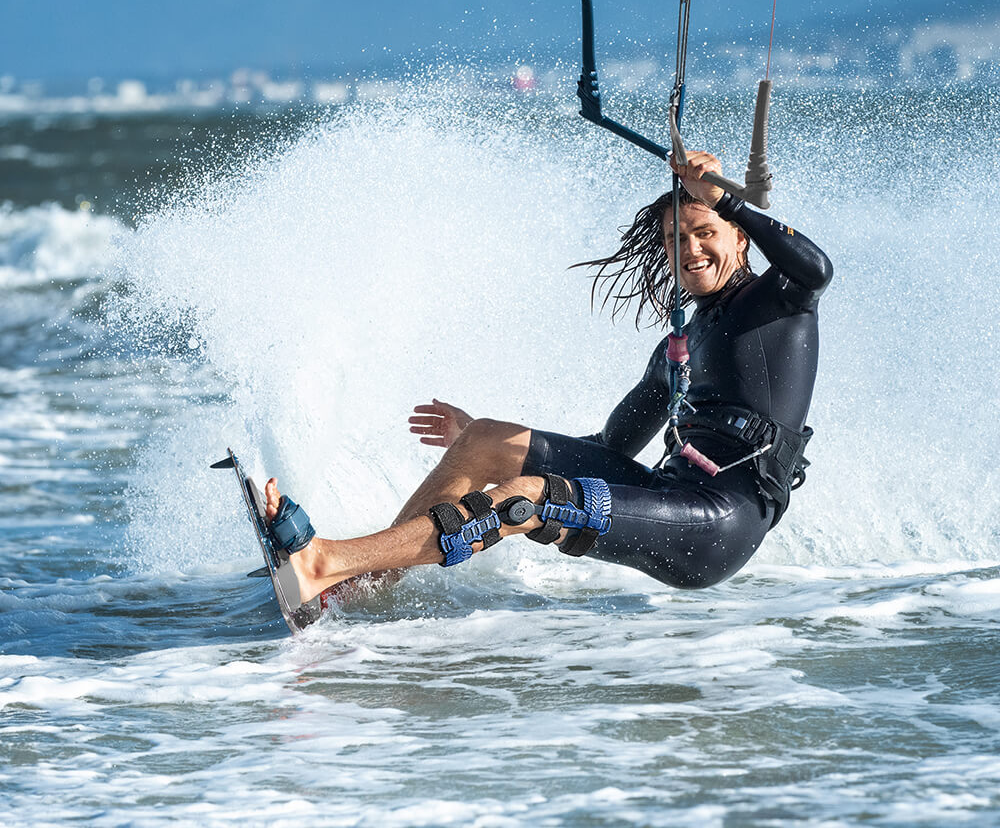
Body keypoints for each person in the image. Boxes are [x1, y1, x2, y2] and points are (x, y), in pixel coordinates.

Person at [262, 150, 833, 603]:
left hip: (719, 520)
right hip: (668, 493)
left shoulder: (778, 303)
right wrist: (490, 440)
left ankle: (325, 561)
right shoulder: (676, 350)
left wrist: (730, 204)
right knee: (487, 440)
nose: (690, 249)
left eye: (705, 232)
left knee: (530, 501)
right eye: (674, 239)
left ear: (737, 238)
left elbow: (816, 266)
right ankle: (358, 589)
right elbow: (611, 448)